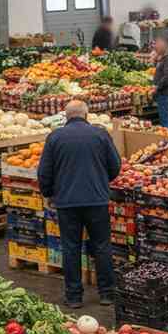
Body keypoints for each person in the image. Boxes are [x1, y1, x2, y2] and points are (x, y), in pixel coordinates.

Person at [37, 100, 122, 309]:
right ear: (86, 115)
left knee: (71, 248)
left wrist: (49, 193)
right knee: (102, 246)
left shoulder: (55, 137)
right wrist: (102, 182)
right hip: (97, 200)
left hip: (67, 202)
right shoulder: (100, 135)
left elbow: (44, 172)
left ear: (66, 116)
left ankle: (74, 296)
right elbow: (115, 166)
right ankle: (107, 294)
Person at [152, 36, 168, 130]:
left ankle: (167, 135)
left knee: (165, 118)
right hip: (166, 91)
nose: (155, 47)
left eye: (157, 44)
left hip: (165, 92)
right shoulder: (165, 57)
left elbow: (167, 77)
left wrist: (157, 87)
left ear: (164, 45)